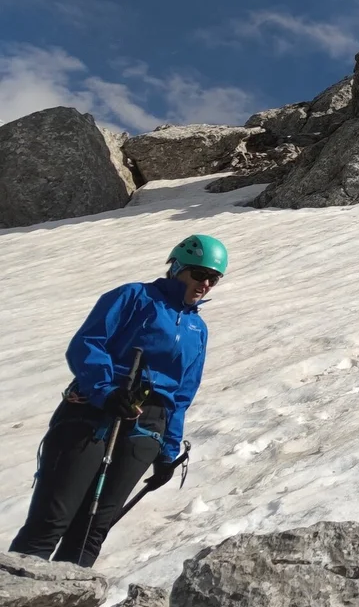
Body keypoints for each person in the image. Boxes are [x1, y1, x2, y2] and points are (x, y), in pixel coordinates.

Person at [9, 235, 222, 566]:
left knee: (92, 531)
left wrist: (168, 452)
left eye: (214, 278)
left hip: (147, 428)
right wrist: (105, 390)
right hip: (95, 410)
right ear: (177, 267)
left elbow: (182, 394)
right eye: (199, 274)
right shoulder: (134, 297)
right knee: (51, 519)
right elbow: (88, 343)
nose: (205, 284)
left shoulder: (198, 328)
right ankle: (15, 595)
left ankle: (63, 598)